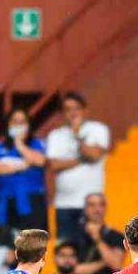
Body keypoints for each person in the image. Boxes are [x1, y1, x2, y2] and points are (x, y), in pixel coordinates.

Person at [45, 93, 110, 242]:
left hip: (92, 204)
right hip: (63, 203)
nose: (73, 113)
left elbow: (94, 155)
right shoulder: (55, 135)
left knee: (91, 248)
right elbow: (54, 165)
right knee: (64, 251)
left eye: (77, 108)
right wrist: (81, 159)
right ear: (63, 113)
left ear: (85, 110)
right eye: (68, 109)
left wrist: (78, 135)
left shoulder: (98, 129)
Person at [0, 108, 48, 231]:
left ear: (28, 125)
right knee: (8, 243)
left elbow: (40, 161)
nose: (19, 126)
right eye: (15, 122)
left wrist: (19, 144)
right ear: (8, 125)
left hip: (32, 201)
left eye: (22, 122)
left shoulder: (37, 144)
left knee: (33, 245)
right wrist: (22, 166)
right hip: (6, 201)